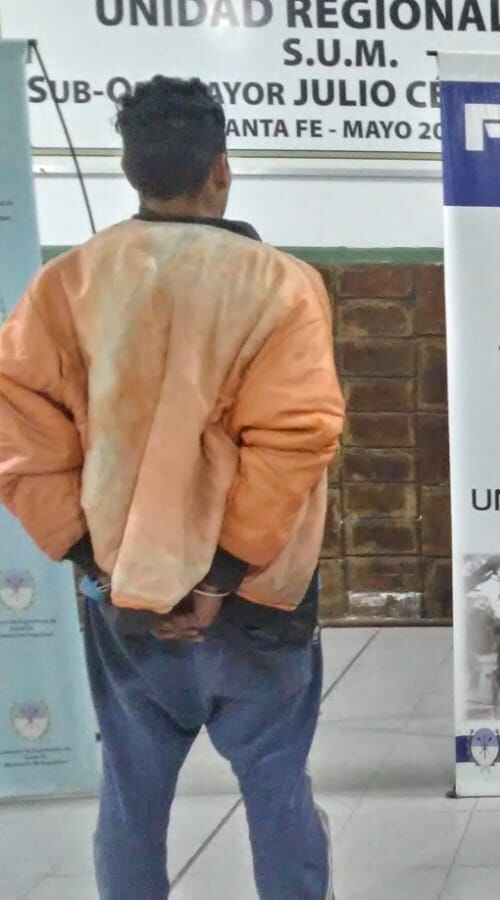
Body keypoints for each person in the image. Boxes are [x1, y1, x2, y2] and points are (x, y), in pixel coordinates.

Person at [0, 76, 344, 899]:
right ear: (221, 168)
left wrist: (95, 561)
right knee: (277, 792)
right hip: (255, 598)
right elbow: (294, 438)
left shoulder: (66, 285)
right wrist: (220, 577)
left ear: (130, 170)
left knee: (132, 796)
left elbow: (19, 428)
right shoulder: (281, 284)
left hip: (126, 594)